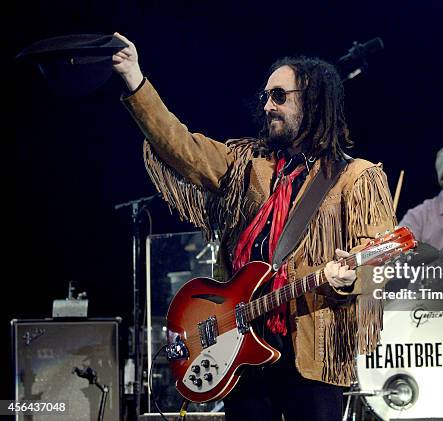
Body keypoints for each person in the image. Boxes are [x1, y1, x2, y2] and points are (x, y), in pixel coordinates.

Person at [112, 33, 396, 420]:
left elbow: (378, 257)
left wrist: (352, 277)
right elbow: (181, 147)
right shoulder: (247, 164)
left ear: (312, 100)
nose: (267, 105)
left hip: (311, 352)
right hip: (238, 347)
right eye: (265, 96)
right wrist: (134, 77)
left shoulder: (356, 177)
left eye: (279, 96)